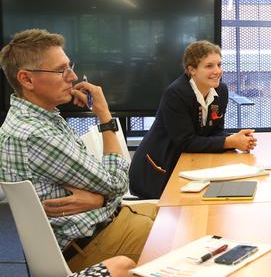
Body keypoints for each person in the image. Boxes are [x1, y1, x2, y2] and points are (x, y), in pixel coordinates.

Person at [0, 29, 157, 272]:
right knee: (185, 237)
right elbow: (117, 184)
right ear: (27, 79)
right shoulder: (37, 134)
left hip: (100, 226)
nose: (72, 76)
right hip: (93, 243)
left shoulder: (34, 117)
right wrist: (105, 116)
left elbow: (108, 185)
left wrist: (100, 198)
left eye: (69, 66)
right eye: (61, 70)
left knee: (175, 216)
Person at [129, 40, 257, 199]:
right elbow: (185, 142)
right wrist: (229, 142)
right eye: (209, 66)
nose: (217, 71)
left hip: (188, 164)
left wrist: (236, 138)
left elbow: (215, 131)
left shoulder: (221, 91)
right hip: (159, 171)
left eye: (219, 64)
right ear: (192, 70)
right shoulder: (175, 94)